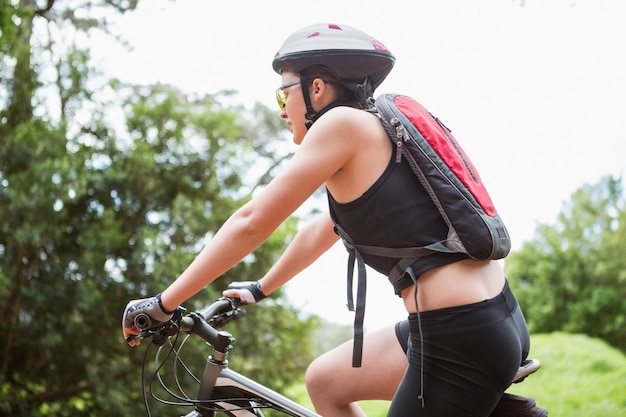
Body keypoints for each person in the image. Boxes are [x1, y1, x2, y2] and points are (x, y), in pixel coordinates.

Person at [122, 23, 535, 417]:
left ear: (316, 88)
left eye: (283, 95)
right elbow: (325, 229)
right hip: (490, 317)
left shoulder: (340, 124)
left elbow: (252, 221)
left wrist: (162, 303)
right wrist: (260, 288)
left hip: (459, 337)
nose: (283, 110)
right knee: (325, 381)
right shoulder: (375, 133)